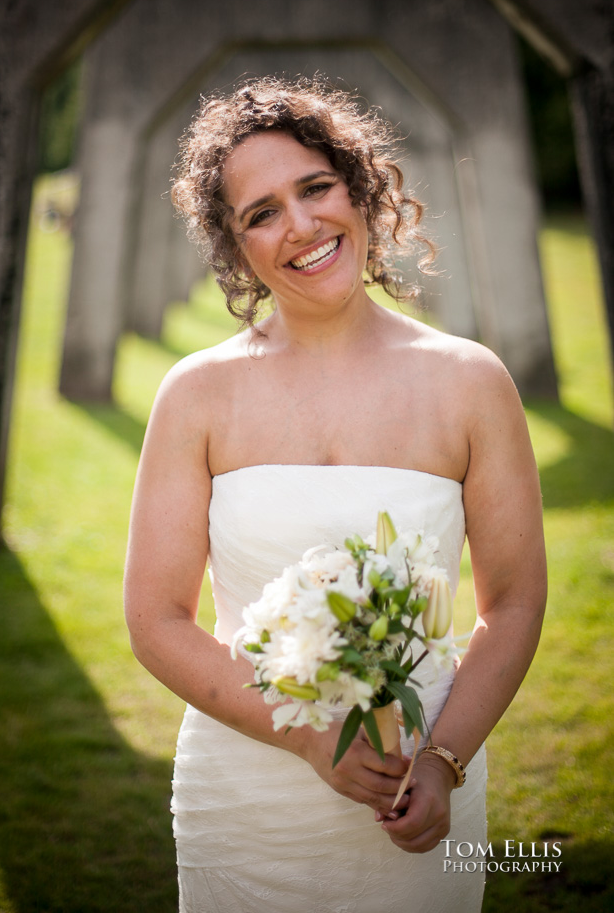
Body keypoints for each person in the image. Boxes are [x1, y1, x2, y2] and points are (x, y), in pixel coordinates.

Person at [124, 76, 547, 912]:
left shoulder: (469, 383)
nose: (302, 226)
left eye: (315, 188)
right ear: (234, 246)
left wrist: (441, 763)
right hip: (242, 797)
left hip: (420, 790)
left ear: (358, 187)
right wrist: (313, 740)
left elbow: (516, 601)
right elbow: (156, 620)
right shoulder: (195, 394)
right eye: (261, 212)